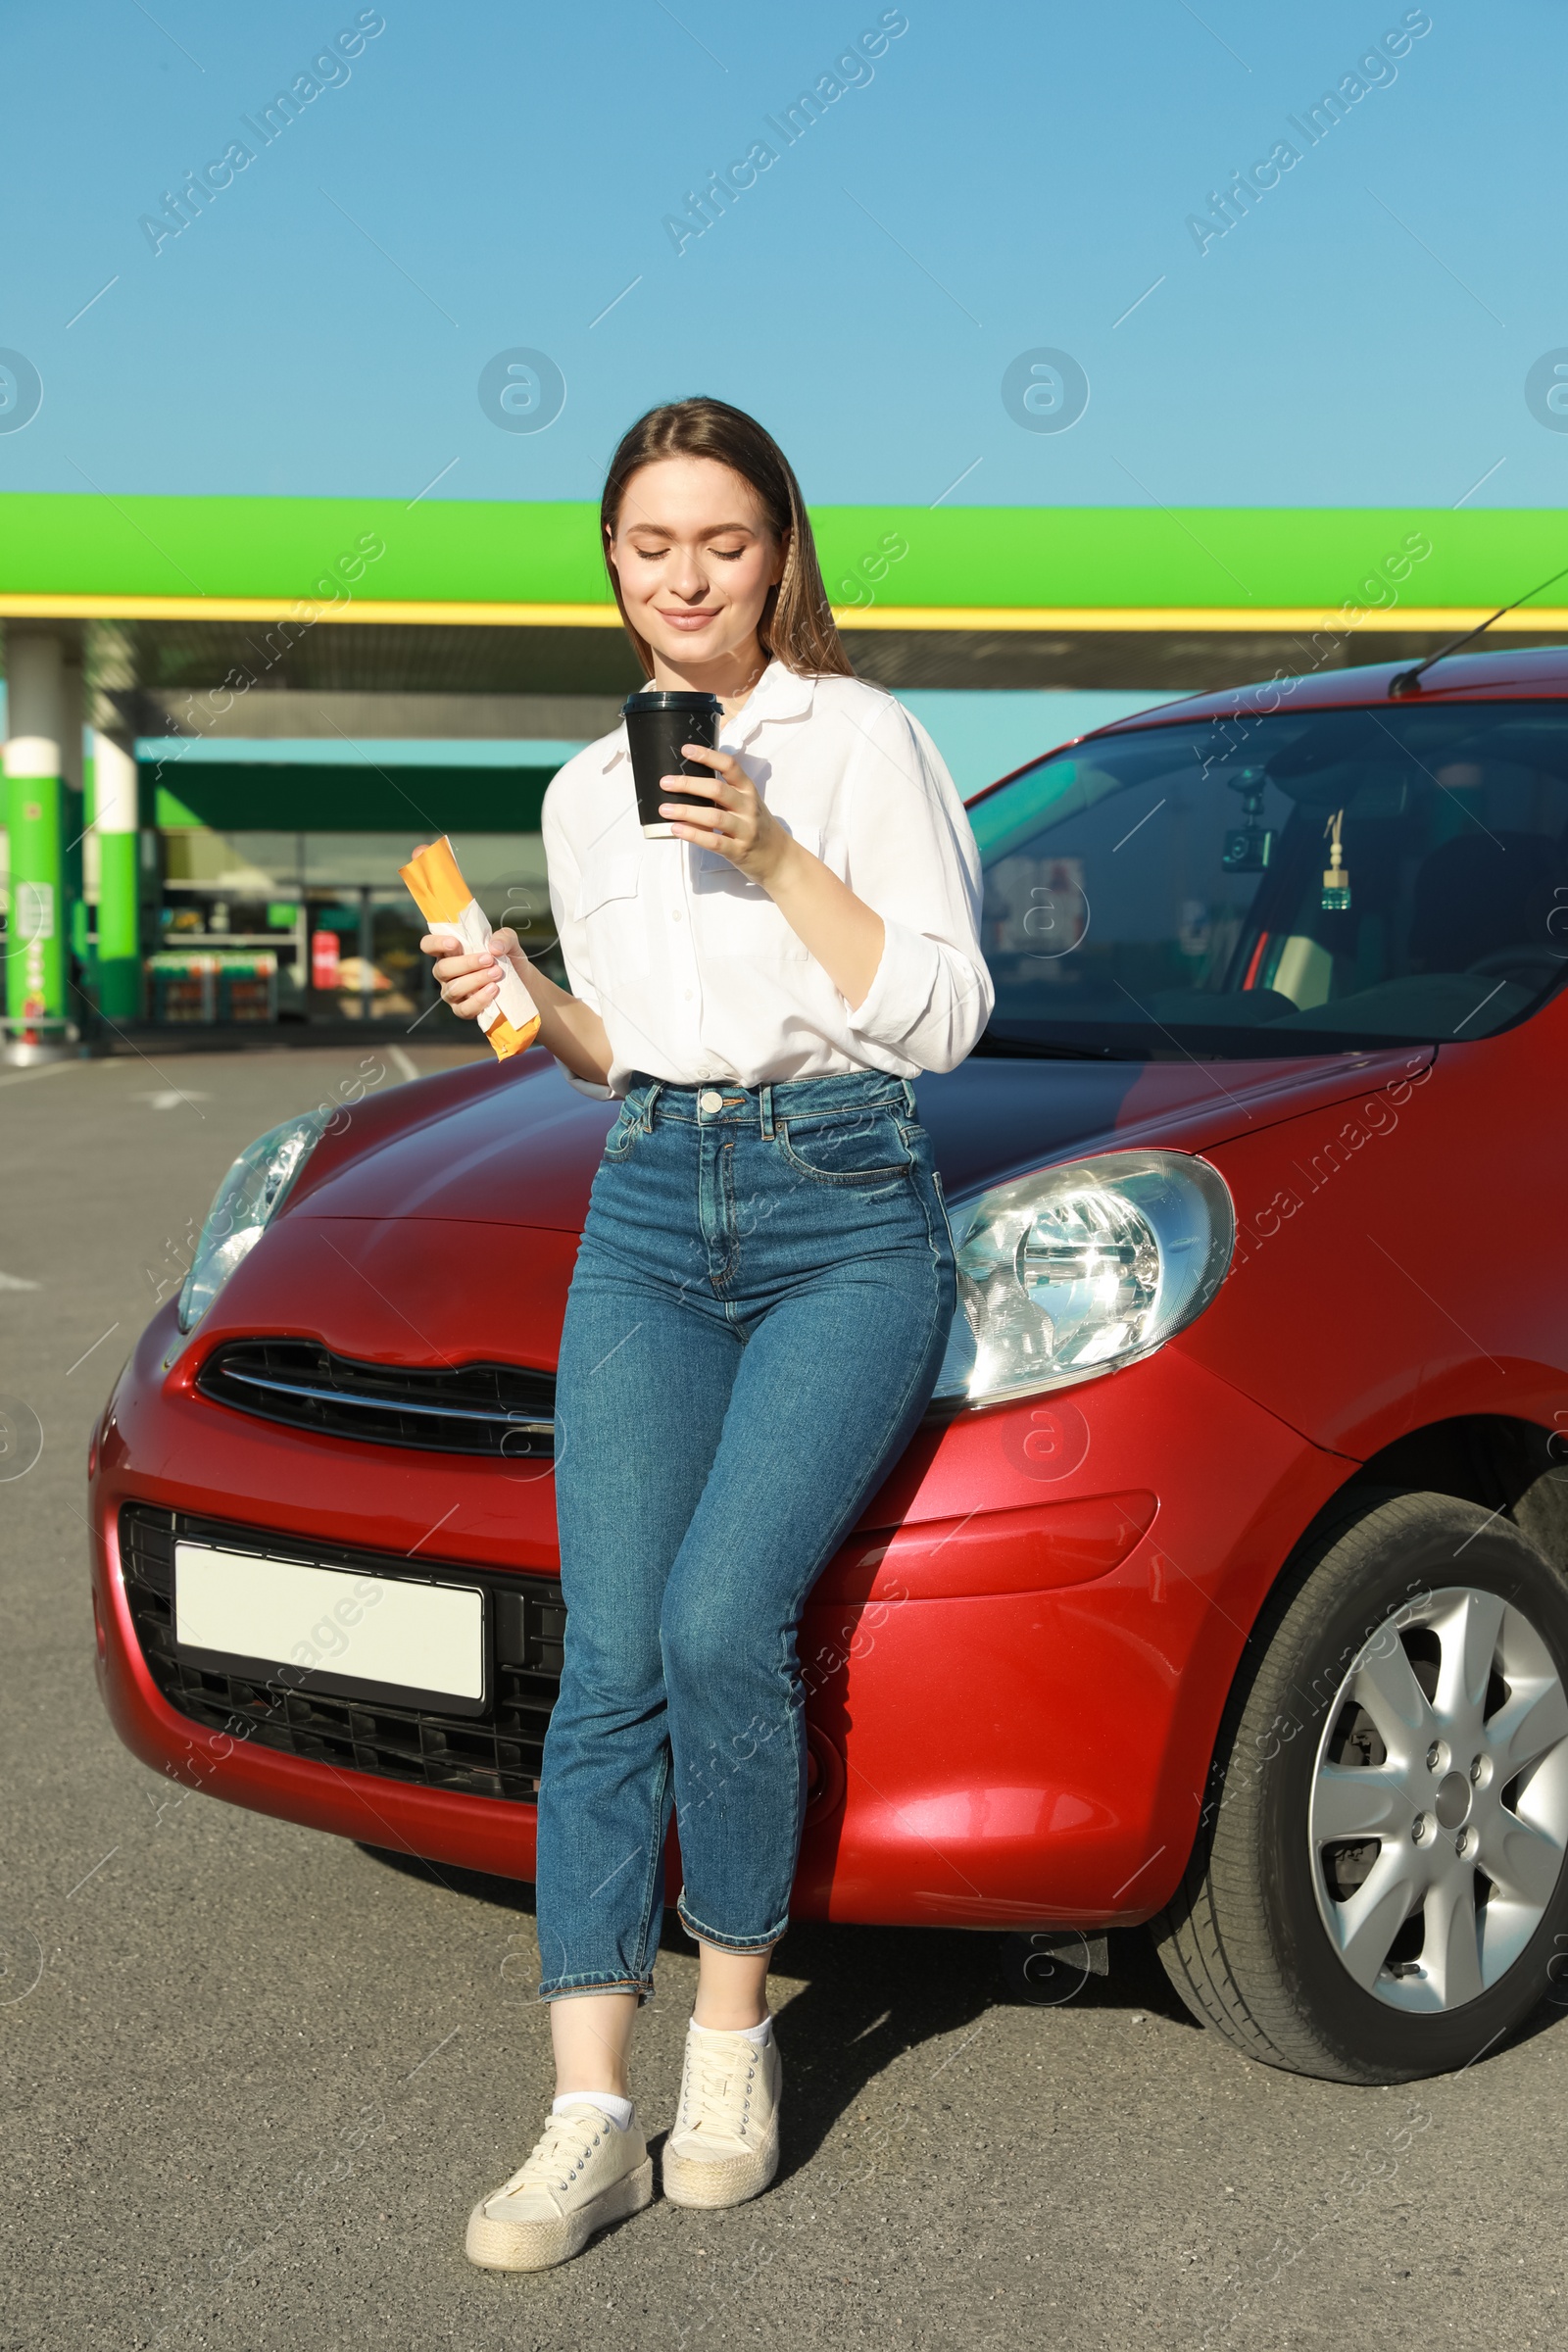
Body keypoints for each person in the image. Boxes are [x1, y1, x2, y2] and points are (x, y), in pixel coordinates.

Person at [419, 396, 992, 2272]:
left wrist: (766, 846)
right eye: (653, 544)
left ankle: (730, 2035)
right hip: (653, 1206)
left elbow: (943, 1016)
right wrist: (528, 999)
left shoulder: (860, 741)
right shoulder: (583, 793)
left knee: (718, 1621)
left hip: (844, 1212)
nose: (688, 578)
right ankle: (588, 2112)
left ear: (781, 555)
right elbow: (624, 1060)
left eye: (725, 543)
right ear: (610, 559)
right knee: (605, 1662)